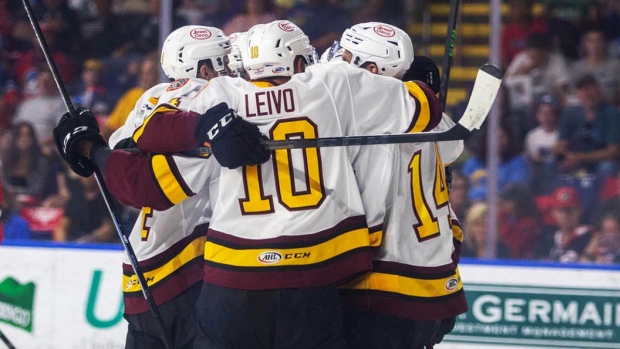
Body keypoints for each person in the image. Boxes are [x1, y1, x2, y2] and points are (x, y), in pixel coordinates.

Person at [332, 22, 467, 349]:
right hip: (434, 284)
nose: (340, 62)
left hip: (381, 286)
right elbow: (453, 147)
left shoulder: (359, 115)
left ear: (372, 67)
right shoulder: (437, 122)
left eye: (347, 55)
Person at [107, 25, 232, 349]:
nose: (233, 70)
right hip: (186, 269)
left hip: (142, 267)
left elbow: (117, 149)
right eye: (225, 62)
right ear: (205, 68)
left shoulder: (150, 97)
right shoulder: (213, 100)